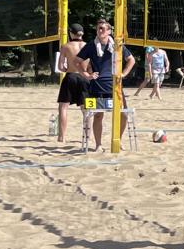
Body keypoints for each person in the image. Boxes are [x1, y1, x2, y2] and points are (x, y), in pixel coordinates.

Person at [77, 18, 136, 150]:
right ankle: (98, 145)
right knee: (98, 115)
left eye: (103, 28)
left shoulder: (117, 45)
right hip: (97, 86)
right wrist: (86, 75)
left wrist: (123, 74)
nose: (100, 30)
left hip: (115, 86)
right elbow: (77, 61)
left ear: (109, 31)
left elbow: (131, 60)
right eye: (98, 28)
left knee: (123, 115)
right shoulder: (91, 45)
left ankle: (118, 140)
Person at [56, 25, 88, 142]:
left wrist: (67, 68)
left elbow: (60, 67)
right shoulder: (88, 46)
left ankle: (62, 137)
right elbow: (91, 65)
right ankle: (87, 137)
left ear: (71, 33)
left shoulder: (65, 46)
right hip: (84, 77)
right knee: (86, 109)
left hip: (71, 76)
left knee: (63, 107)